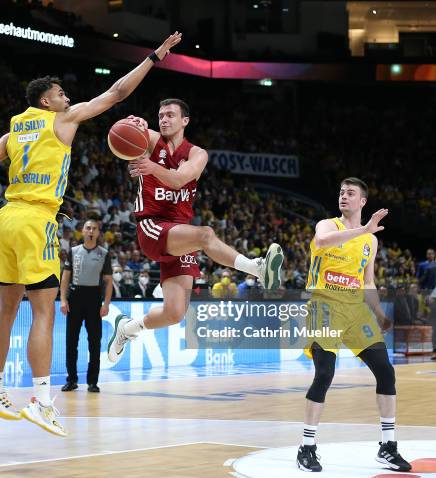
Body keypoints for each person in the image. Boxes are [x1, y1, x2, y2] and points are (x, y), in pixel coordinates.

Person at [0, 32, 183, 437]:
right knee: (41, 311)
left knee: (6, 309)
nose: (67, 98)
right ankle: (41, 401)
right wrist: (154, 57)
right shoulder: (63, 120)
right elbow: (116, 92)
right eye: (60, 93)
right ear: (46, 101)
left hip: (5, 219)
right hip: (36, 218)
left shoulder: (13, 132)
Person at [107, 99, 284, 363]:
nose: (163, 119)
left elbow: (179, 180)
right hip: (152, 225)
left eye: (170, 115)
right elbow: (122, 131)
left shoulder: (197, 154)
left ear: (184, 121)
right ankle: (257, 268)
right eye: (160, 115)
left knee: (175, 313)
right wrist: (133, 123)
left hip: (179, 233)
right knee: (205, 235)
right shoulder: (150, 140)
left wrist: (152, 167)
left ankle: (126, 328)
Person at [296, 177, 411, 473]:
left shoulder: (370, 241)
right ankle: (306, 448)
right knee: (324, 373)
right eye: (341, 192)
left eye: (350, 193)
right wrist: (363, 229)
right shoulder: (327, 225)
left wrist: (378, 313)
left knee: (386, 371)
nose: (344, 197)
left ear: (362, 201)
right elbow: (321, 242)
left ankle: (388, 446)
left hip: (356, 310)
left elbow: (367, 280)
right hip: (325, 306)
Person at [60, 220, 112, 393]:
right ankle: (72, 380)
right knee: (71, 342)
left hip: (94, 298)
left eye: (94, 229)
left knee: (94, 343)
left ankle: (92, 382)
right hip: (75, 298)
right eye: (88, 228)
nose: (91, 231)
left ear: (98, 233)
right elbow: (65, 278)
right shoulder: (73, 251)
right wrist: (63, 300)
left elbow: (108, 281)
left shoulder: (104, 253)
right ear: (82, 231)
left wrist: (106, 304)